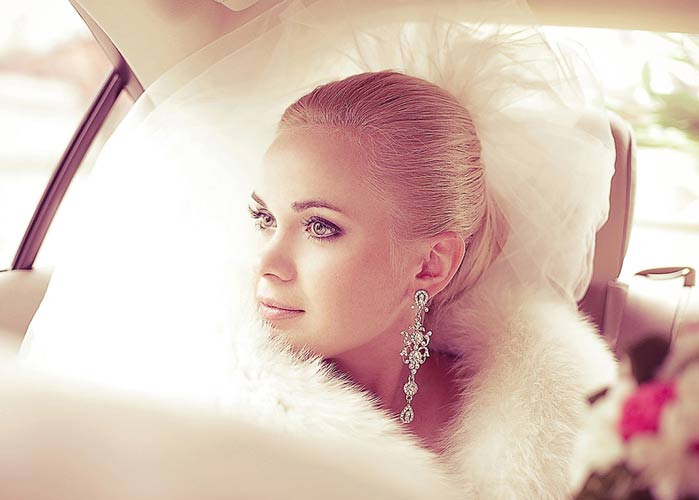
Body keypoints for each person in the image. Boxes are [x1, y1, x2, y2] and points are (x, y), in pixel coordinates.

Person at [17, 0, 619, 497]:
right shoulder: (197, 415)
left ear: (431, 263)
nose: (267, 263)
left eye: (321, 227)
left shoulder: (569, 427)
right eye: (264, 218)